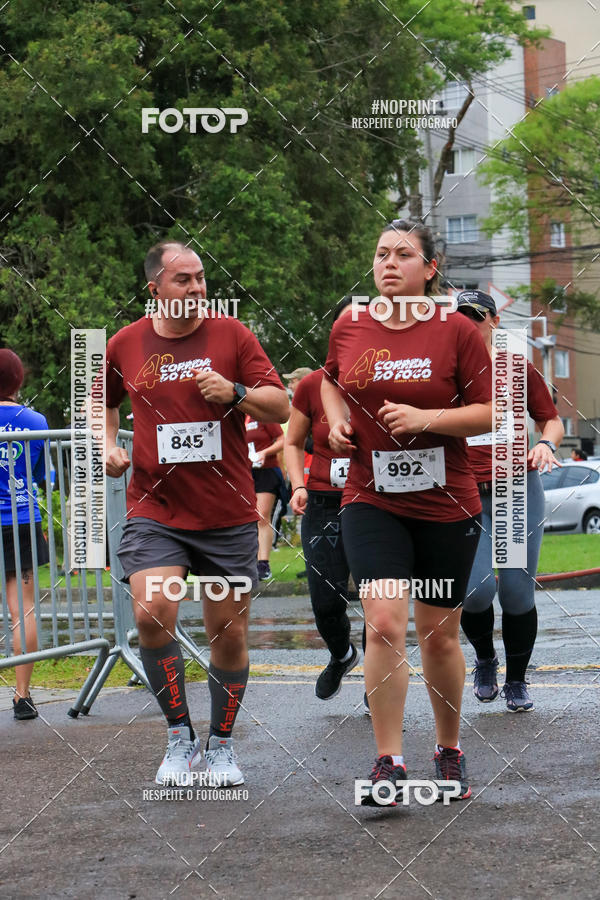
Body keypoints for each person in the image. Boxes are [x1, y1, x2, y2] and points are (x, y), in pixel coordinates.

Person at [321, 220, 493, 805]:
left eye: (403, 254)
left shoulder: (458, 332)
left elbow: (493, 413)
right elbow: (329, 382)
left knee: (438, 636)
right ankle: (388, 762)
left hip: (446, 503)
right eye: (380, 254)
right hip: (371, 499)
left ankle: (448, 748)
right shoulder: (351, 322)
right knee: (385, 623)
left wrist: (426, 421)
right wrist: (339, 422)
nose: (388, 263)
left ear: (430, 269)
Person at [104, 241, 289, 785]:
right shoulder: (125, 343)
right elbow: (103, 401)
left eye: (201, 278)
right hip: (155, 507)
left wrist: (235, 392)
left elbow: (280, 404)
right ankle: (179, 739)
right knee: (151, 610)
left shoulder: (232, 336)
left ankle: (222, 746)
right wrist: (108, 444)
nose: (196, 288)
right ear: (154, 288)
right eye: (182, 279)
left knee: (226, 633)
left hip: (226, 513)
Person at [457, 290, 564, 712]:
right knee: (475, 592)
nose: (468, 325)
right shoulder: (443, 375)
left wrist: (545, 445)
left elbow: (550, 419)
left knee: (517, 594)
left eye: (476, 317)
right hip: (464, 494)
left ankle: (517, 680)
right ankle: (485, 660)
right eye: (460, 318)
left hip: (514, 492)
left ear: (494, 322)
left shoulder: (514, 367)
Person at [284, 298, 360, 701]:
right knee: (325, 599)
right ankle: (341, 654)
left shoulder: (390, 379)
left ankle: (378, 682)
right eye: (342, 328)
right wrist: (297, 485)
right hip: (324, 503)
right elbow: (292, 442)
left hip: (376, 502)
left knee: (381, 601)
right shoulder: (312, 385)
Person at [0, 349, 50, 720]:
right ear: (19, 381)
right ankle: (23, 696)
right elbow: (38, 477)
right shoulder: (35, 419)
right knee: (24, 610)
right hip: (22, 520)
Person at [245, 414, 285, 580]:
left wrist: (264, 452)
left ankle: (263, 563)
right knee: (246, 518)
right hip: (244, 472)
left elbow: (283, 439)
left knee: (262, 516)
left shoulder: (261, 414)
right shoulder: (236, 416)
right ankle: (248, 562)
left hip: (265, 471)